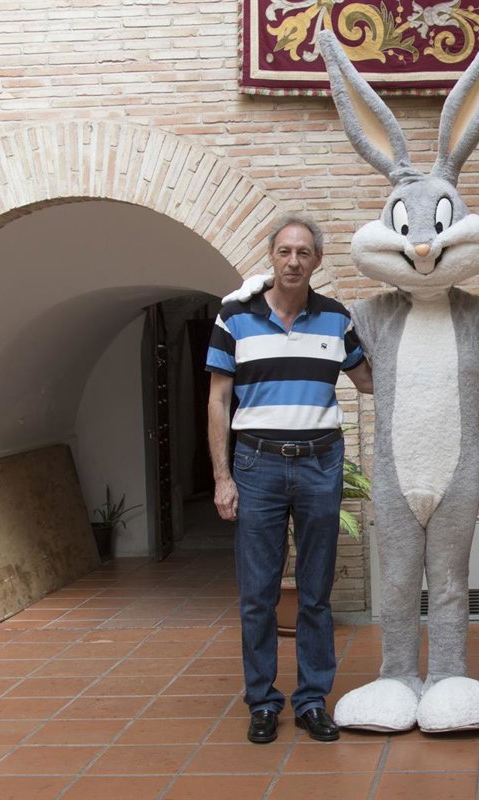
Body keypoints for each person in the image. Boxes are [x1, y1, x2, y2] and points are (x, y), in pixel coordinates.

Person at [207, 215, 373, 744]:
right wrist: (222, 478)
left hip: (320, 462)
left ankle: (311, 701)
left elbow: (369, 380)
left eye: (304, 253)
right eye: (285, 251)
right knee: (258, 594)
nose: (294, 261)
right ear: (271, 256)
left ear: (317, 260)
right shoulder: (234, 317)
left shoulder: (336, 319)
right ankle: (262, 701)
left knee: (316, 593)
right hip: (256, 465)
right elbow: (218, 400)